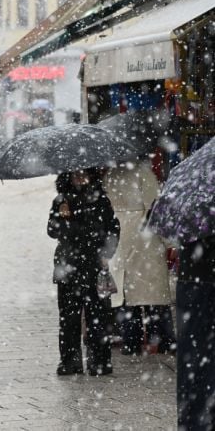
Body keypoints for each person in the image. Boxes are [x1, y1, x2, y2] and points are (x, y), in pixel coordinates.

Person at [47, 169, 120, 376]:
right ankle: (70, 361)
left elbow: (113, 228)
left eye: (83, 174)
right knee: (69, 318)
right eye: (75, 174)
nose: (79, 177)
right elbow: (52, 230)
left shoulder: (101, 200)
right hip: (68, 266)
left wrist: (107, 253)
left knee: (98, 316)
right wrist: (62, 218)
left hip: (94, 265)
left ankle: (99, 361)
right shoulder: (61, 200)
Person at [104, 160, 176, 355]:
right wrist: (170, 241)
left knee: (126, 293)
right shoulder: (144, 173)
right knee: (153, 293)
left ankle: (131, 341)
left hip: (119, 235)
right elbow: (155, 208)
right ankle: (162, 339)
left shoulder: (109, 174)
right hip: (144, 236)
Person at [176, 236, 215, 430]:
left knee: (193, 359)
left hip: (192, 278)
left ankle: (194, 420)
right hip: (195, 280)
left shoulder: (188, 208)